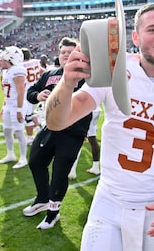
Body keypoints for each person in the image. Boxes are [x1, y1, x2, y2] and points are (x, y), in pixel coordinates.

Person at [45, 2, 154, 250]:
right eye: (152, 29)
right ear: (135, 37)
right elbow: (56, 122)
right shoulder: (114, 70)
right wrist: (67, 83)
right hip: (110, 202)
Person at [22, 37, 92, 229]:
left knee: (60, 173)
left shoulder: (87, 76)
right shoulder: (50, 74)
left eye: (71, 53)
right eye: (63, 53)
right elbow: (31, 91)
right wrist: (38, 95)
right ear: (58, 55)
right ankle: (42, 198)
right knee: (36, 161)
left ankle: (53, 213)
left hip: (72, 131)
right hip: (50, 127)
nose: (66, 56)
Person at [0, 46, 28, 169]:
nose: (0, 61)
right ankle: (10, 154)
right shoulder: (7, 71)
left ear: (11, 59)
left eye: (2, 59)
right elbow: (7, 92)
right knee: (7, 130)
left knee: (19, 132)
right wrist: (4, 106)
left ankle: (23, 158)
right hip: (9, 105)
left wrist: (19, 110)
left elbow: (21, 92)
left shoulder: (17, 70)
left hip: (17, 106)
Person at [68, 105, 101, 179]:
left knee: (77, 139)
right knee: (92, 138)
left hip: (86, 110)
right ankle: (96, 167)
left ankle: (72, 171)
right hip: (96, 109)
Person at [20, 48, 42, 145]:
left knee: (28, 116)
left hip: (27, 93)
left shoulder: (20, 66)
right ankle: (38, 131)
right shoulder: (36, 62)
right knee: (32, 114)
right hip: (36, 90)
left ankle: (30, 137)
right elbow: (43, 71)